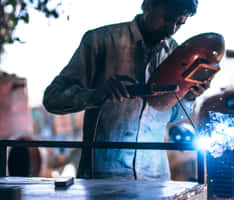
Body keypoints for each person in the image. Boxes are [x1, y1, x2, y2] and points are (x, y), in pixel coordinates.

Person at [43, 0, 207, 181]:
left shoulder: (174, 53)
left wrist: (188, 97)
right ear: (148, 5)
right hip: (104, 179)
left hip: (155, 178)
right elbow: (53, 98)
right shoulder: (100, 41)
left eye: (179, 23)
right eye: (168, 19)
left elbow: (169, 115)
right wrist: (95, 95)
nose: (172, 29)